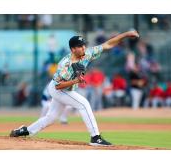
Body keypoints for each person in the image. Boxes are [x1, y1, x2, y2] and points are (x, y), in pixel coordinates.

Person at [10, 30, 139, 146]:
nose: (83, 47)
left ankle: (24, 130)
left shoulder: (87, 54)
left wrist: (126, 34)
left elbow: (108, 44)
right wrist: (76, 80)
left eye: (83, 45)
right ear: (72, 49)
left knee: (51, 118)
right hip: (58, 89)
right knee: (84, 104)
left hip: (65, 89)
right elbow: (58, 85)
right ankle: (95, 137)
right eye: (79, 46)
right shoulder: (65, 64)